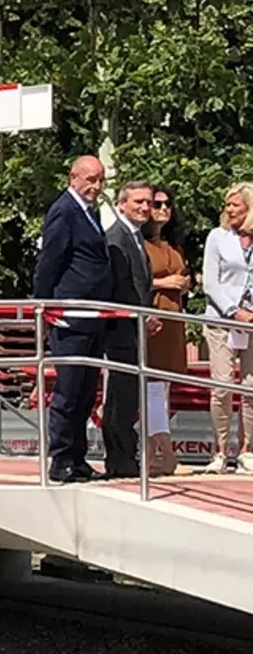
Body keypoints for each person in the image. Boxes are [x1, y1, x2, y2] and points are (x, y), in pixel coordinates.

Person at [33, 156, 113, 483]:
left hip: (92, 316)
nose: (96, 187)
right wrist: (44, 305)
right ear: (73, 177)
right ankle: (61, 459)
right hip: (71, 316)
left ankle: (78, 458)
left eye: (100, 180)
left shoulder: (88, 211)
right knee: (68, 391)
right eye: (90, 179)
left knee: (85, 391)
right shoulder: (64, 210)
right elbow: (49, 260)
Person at [101, 180, 157, 478]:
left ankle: (124, 455)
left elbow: (140, 284)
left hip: (135, 325)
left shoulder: (135, 237)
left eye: (148, 202)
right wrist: (133, 316)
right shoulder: (116, 238)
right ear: (122, 203)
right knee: (120, 395)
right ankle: (119, 459)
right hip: (120, 326)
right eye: (138, 202)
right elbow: (118, 286)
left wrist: (147, 316)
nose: (145, 207)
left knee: (128, 393)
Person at [201, 182, 253, 474]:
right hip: (222, 320)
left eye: (236, 204)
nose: (229, 209)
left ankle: (247, 450)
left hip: (252, 323)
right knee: (221, 386)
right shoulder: (217, 237)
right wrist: (235, 311)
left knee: (250, 387)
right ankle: (221, 451)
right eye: (228, 204)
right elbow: (211, 283)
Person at [143, 184, 189, 476]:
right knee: (153, 390)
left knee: (163, 390)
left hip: (174, 320)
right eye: (157, 204)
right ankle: (167, 454)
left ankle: (151, 455)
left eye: (167, 204)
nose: (162, 209)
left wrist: (183, 282)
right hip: (153, 320)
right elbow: (132, 279)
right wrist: (163, 283)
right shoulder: (140, 244)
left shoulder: (173, 246)